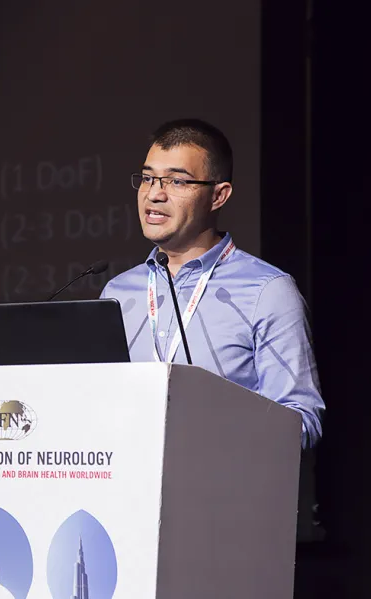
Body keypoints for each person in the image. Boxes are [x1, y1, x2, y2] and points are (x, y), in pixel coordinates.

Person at [100, 118, 324, 448]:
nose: (154, 195)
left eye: (177, 181)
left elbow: (302, 421)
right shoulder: (118, 293)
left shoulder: (267, 292)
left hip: (222, 477)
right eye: (148, 178)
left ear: (218, 195)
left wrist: (217, 433)